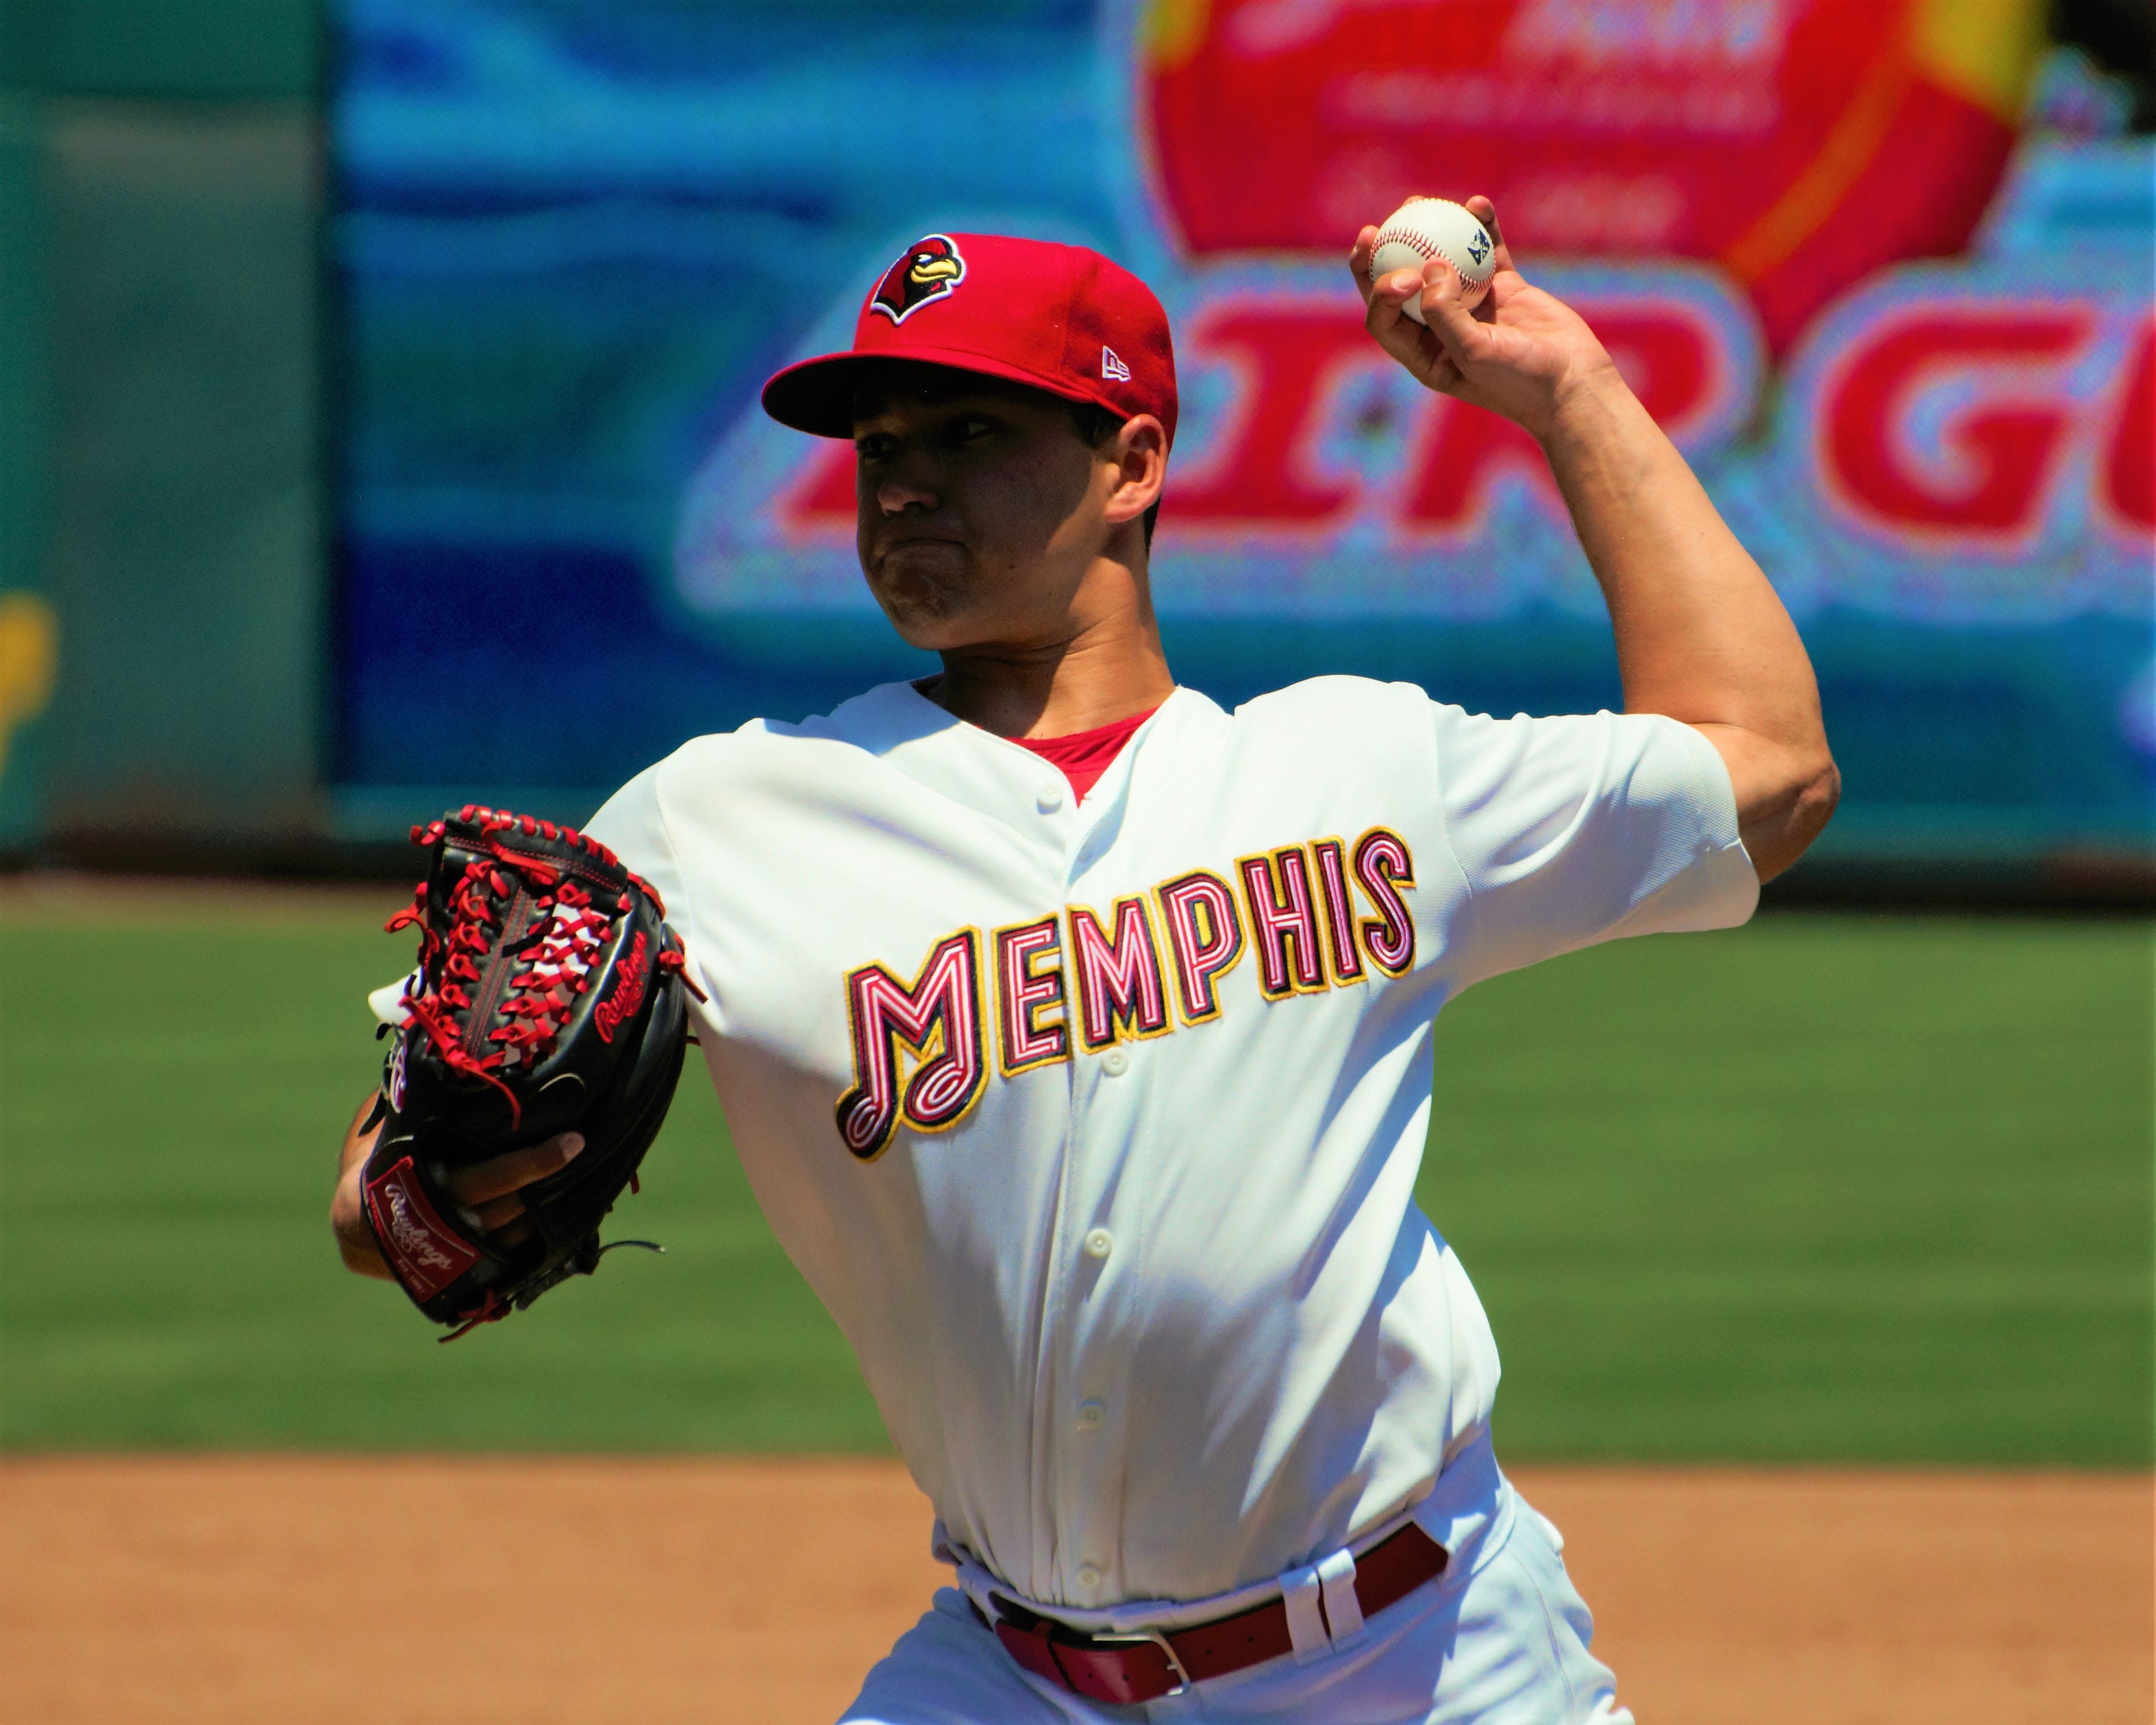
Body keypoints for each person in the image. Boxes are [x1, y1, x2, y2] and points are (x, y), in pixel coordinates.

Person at [332, 202, 1837, 1722]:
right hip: (1004, 1675)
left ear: (1131, 464)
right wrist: (420, 1192)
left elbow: (1766, 770)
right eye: (877, 441)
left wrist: (1571, 391)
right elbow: (392, 1171)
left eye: (966, 429)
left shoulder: (1359, 770)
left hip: (1422, 1655)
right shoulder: (715, 815)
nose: (904, 477)